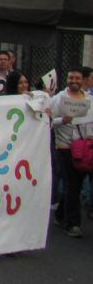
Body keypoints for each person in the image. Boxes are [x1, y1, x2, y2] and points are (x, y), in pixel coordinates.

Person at [49, 69, 91, 237]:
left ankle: (60, 214)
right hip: (65, 147)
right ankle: (73, 224)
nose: (74, 80)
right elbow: (49, 121)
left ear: (83, 80)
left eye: (77, 78)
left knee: (76, 185)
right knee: (72, 184)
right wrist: (62, 120)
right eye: (71, 77)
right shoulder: (58, 99)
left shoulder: (89, 100)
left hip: (84, 147)